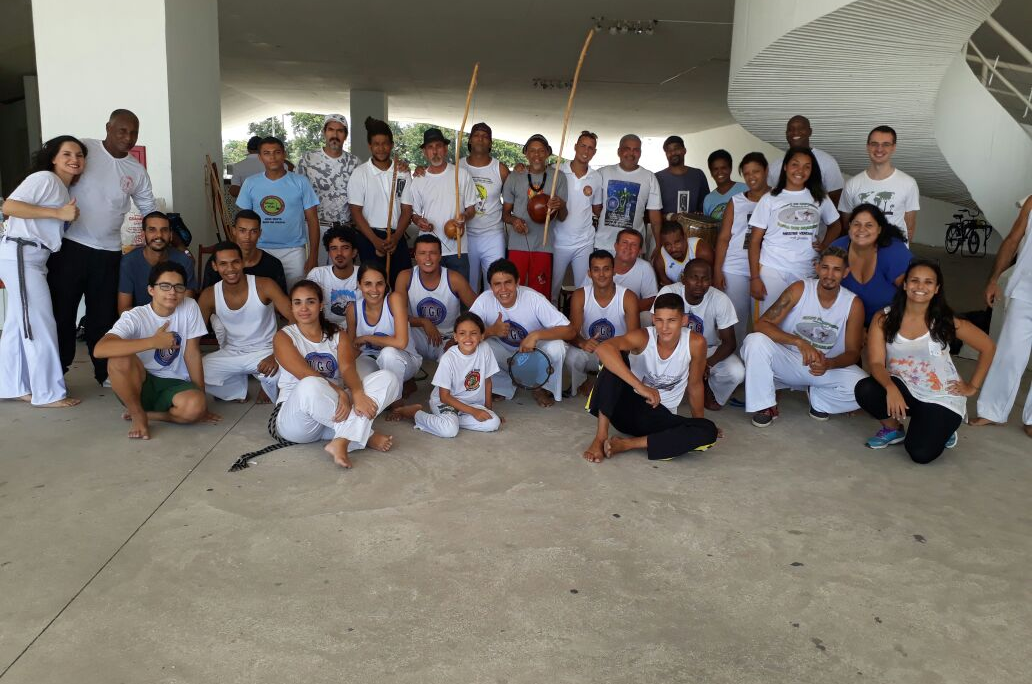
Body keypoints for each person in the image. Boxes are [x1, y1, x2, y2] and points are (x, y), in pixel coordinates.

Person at [48, 109, 156, 384]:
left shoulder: (136, 170)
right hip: (70, 247)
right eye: (122, 131)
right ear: (108, 127)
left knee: (102, 316)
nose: (128, 137)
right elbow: (54, 176)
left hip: (109, 253)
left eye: (133, 133)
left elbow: (148, 208)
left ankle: (103, 372)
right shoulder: (85, 150)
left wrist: (163, 238)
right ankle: (57, 371)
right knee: (63, 311)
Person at [856, 259, 995, 462]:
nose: (920, 287)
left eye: (928, 282)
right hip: (904, 388)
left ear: (937, 289)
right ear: (905, 285)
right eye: (915, 280)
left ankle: (944, 429)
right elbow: (876, 363)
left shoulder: (945, 320)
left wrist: (972, 386)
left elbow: (988, 347)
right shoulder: (884, 319)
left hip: (940, 396)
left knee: (920, 454)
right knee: (866, 389)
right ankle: (893, 429)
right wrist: (891, 388)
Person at [272, 279, 401, 468]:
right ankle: (365, 435)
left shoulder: (337, 334)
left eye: (310, 301)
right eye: (297, 302)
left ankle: (342, 440)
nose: (304, 308)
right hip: (298, 421)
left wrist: (356, 393)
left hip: (331, 415)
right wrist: (341, 393)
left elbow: (348, 368)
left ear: (321, 305)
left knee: (388, 378)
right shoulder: (284, 337)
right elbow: (305, 374)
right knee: (310, 384)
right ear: (291, 307)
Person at [0, 135, 86, 408]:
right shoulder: (45, 179)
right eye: (67, 154)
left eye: (79, 155)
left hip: (32, 257)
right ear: (53, 158)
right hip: (21, 254)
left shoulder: (60, 187)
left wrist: (65, 217)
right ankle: (47, 392)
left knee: (17, 324)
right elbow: (9, 206)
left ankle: (10, 385)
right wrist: (58, 215)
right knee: (39, 322)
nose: (74, 160)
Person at [582, 292, 719, 463]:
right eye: (660, 320)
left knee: (708, 430)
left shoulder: (696, 343)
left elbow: (695, 385)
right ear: (653, 319)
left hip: (659, 419)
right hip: (624, 409)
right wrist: (640, 387)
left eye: (672, 321)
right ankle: (600, 438)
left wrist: (698, 423)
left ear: (684, 321)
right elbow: (603, 349)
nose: (665, 327)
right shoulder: (643, 337)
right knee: (615, 359)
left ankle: (627, 444)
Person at [740, 247, 867, 427]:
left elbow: (854, 353)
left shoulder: (853, 304)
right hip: (788, 360)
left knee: (863, 387)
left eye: (836, 269)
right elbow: (762, 324)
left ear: (846, 272)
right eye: (825, 267)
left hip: (823, 367)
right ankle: (765, 405)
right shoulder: (800, 288)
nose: (829, 274)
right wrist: (799, 342)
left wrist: (830, 364)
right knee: (754, 341)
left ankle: (819, 399)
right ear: (816, 267)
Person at [95, 262, 220, 440]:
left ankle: (154, 415)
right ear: (151, 290)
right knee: (118, 358)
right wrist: (153, 342)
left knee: (194, 407)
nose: (172, 292)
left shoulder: (190, 306)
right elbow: (100, 349)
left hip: (175, 383)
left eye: (178, 287)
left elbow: (192, 353)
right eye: (165, 286)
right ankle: (138, 414)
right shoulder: (135, 316)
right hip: (140, 383)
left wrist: (202, 402)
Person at [748, 147, 843, 316]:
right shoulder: (770, 199)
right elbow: (754, 241)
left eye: (807, 166)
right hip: (773, 268)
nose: (800, 171)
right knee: (770, 318)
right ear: (785, 167)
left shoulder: (819, 197)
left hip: (805, 268)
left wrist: (824, 245)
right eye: (795, 165)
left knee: (797, 318)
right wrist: (755, 278)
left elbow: (836, 225)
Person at [470, 259, 575, 407]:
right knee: (478, 346)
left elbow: (570, 331)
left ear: (517, 282)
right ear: (490, 286)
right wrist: (491, 331)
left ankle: (541, 387)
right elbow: (466, 335)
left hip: (534, 355)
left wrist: (535, 335)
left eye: (508, 282)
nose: (503, 289)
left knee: (557, 347)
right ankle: (503, 385)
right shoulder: (484, 300)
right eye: (497, 284)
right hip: (505, 355)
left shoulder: (533, 299)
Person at [199, 241, 294, 404]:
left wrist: (276, 355)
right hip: (232, 352)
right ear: (214, 266)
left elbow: (294, 318)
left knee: (286, 372)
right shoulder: (209, 295)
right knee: (195, 371)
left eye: (235, 262)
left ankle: (267, 386)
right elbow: (193, 334)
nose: (230, 269)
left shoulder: (265, 285)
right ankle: (236, 390)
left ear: (242, 262)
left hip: (266, 351)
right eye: (223, 264)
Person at [972, 194, 1032, 437]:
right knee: (1009, 353)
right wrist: (994, 280)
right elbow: (1012, 240)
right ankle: (992, 411)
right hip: (1025, 291)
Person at [387, 313, 502, 438]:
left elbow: (487, 381)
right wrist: (474, 412)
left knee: (494, 422)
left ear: (482, 336)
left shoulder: (485, 349)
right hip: (447, 402)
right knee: (449, 431)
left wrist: (489, 411)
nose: (468, 338)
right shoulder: (448, 358)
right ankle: (415, 414)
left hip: (471, 404)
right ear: (455, 337)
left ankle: (449, 420)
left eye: (473, 333)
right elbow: (444, 397)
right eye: (462, 333)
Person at [655, 259, 744, 410]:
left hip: (707, 350)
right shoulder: (669, 292)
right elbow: (657, 331)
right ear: (683, 278)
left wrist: (706, 364)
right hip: (673, 348)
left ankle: (712, 391)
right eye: (694, 277)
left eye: (705, 279)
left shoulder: (720, 299)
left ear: (711, 280)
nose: (699, 283)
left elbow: (729, 343)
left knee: (736, 371)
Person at [236, 136, 320, 287]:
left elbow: (313, 220)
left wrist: (313, 256)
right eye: (267, 153)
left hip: (294, 251)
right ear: (260, 157)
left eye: (277, 152)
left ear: (284, 154)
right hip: (259, 249)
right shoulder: (250, 183)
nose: (272, 157)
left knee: (295, 296)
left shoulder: (301, 182)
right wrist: (242, 253)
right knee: (262, 298)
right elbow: (243, 223)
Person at [402, 128, 478, 281]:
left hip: (458, 249)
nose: (435, 151)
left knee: (460, 296)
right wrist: (419, 221)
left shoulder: (461, 174)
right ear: (425, 152)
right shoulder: (419, 180)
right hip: (429, 250)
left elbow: (471, 208)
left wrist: (464, 216)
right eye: (430, 147)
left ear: (445, 149)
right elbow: (414, 214)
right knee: (432, 297)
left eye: (438, 146)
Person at [713, 152, 770, 345]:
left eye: (756, 171)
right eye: (746, 173)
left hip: (767, 268)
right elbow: (723, 238)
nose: (752, 177)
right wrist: (717, 270)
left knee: (766, 322)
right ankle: (736, 367)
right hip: (735, 268)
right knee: (735, 322)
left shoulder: (777, 198)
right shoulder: (736, 201)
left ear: (766, 171)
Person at [348, 116, 413, 287]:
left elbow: (407, 210)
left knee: (402, 284)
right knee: (374, 287)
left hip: (396, 236)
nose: (381, 148)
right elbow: (355, 212)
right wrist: (375, 241)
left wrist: (397, 237)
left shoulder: (402, 172)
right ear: (370, 146)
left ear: (391, 144)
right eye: (376, 144)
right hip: (370, 237)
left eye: (385, 143)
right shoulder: (360, 173)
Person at [565, 249, 639, 396]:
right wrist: (583, 343)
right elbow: (572, 333)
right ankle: (583, 382)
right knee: (571, 355)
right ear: (589, 273)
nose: (601, 274)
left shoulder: (628, 296)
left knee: (637, 357)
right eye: (596, 270)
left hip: (618, 352)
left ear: (614, 271)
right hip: (591, 349)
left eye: (606, 269)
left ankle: (602, 384)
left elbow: (635, 340)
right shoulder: (580, 295)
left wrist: (612, 347)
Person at [502, 134, 568, 298]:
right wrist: (514, 220)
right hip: (517, 245)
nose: (536, 155)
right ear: (526, 153)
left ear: (548, 153)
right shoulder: (515, 177)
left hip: (544, 245)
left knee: (539, 294)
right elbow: (505, 214)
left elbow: (562, 217)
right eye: (532, 151)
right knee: (513, 291)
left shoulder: (558, 177)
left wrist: (561, 205)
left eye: (541, 151)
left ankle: (538, 325)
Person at [395, 234, 477, 361]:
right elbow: (397, 315)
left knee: (454, 360)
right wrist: (424, 322)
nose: (428, 258)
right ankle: (408, 379)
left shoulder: (454, 279)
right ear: (415, 256)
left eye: (432, 253)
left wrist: (459, 337)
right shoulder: (405, 277)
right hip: (418, 336)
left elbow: (480, 310)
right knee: (396, 343)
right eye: (422, 253)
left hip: (448, 338)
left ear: (440, 255)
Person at [830, 204, 912, 325]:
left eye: (869, 225)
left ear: (879, 229)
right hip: (847, 321)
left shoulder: (893, 251)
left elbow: (913, 294)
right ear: (849, 227)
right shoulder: (838, 248)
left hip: (891, 321)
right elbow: (825, 288)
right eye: (856, 224)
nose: (861, 229)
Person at [344, 263, 422, 391]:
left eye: (379, 283)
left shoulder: (394, 299)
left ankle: (397, 403)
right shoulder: (353, 309)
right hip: (370, 357)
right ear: (359, 284)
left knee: (388, 354)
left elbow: (401, 343)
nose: (374, 290)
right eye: (368, 284)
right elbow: (354, 348)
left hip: (404, 359)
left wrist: (367, 338)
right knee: (356, 382)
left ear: (386, 284)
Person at [296, 114, 360, 267]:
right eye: (331, 130)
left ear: (345, 135)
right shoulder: (308, 159)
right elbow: (298, 195)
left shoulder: (354, 162)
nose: (335, 135)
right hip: (314, 227)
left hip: (344, 229)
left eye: (340, 131)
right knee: (314, 273)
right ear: (324, 132)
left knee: (341, 275)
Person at [838, 126, 919, 244]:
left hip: (893, 252)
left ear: (893, 148)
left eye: (886, 144)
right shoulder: (852, 184)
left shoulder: (908, 183)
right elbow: (847, 224)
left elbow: (910, 227)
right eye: (874, 144)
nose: (879, 149)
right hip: (862, 252)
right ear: (867, 147)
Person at [551, 131, 603, 302]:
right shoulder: (557, 171)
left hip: (584, 242)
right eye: (583, 145)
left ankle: (580, 327)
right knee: (552, 288)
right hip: (558, 242)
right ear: (575, 147)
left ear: (594, 152)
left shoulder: (596, 177)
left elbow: (597, 209)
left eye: (590, 148)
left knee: (585, 291)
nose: (586, 151)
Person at [459, 122, 509, 291]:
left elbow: (513, 198)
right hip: (467, 235)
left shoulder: (500, 169)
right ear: (470, 140)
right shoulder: (458, 167)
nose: (480, 139)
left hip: (493, 235)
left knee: (496, 283)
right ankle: (472, 318)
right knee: (469, 285)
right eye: (476, 135)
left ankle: (495, 317)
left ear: (490, 142)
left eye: (485, 136)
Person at [117, 211, 197, 313]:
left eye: (164, 230)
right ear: (143, 234)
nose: (159, 235)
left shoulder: (184, 261)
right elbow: (124, 310)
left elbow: (187, 308)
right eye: (152, 230)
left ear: (171, 235)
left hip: (175, 322)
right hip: (142, 324)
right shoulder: (128, 262)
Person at [596, 134, 663, 254]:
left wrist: (658, 245)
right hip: (604, 244)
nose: (631, 153)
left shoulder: (649, 177)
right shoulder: (602, 173)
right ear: (619, 151)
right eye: (627, 149)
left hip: (634, 247)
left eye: (636, 150)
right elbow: (594, 206)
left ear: (640, 153)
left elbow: (655, 216)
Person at [200, 210, 287, 293]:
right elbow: (207, 296)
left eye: (253, 231)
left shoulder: (273, 264)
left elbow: (281, 303)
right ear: (234, 231)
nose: (247, 237)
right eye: (242, 231)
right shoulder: (218, 261)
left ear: (259, 233)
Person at [766, 115, 845, 206]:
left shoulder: (827, 161)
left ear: (810, 132)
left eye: (801, 128)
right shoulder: (776, 165)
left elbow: (836, 196)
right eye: (790, 129)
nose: (795, 132)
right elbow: (770, 195)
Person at [584, 229, 660, 317]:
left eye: (634, 245)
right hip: (597, 312)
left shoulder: (645, 267)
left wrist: (622, 310)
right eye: (624, 242)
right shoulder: (600, 265)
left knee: (646, 316)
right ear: (616, 246)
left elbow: (650, 300)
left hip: (629, 314)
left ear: (639, 251)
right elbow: (583, 296)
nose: (628, 247)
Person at [305, 225, 361, 329]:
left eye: (345, 248)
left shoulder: (365, 275)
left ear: (354, 252)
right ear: (329, 253)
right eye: (334, 248)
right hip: (325, 332)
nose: (339, 253)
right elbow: (307, 309)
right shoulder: (317, 275)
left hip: (357, 332)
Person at [655, 135, 710, 215]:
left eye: (676, 148)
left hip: (693, 226)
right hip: (666, 227)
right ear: (666, 154)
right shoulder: (657, 178)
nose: (673, 153)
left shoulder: (698, 175)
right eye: (669, 150)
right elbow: (652, 212)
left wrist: (699, 214)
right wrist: (670, 217)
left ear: (684, 150)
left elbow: (705, 205)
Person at [651, 219, 713, 287]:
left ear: (685, 237)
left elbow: (711, 281)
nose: (673, 249)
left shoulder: (702, 251)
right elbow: (668, 290)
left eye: (677, 242)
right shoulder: (660, 261)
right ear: (662, 244)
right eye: (668, 245)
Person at [702, 149, 747, 220]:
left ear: (730, 168)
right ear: (711, 172)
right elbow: (708, 228)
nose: (720, 172)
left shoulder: (745, 189)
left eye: (723, 168)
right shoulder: (708, 199)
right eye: (715, 169)